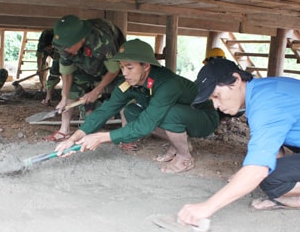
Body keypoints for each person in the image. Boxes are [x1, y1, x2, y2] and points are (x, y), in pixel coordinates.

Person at [177, 58, 300, 225]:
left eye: (216, 96)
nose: (216, 105)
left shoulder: (267, 105)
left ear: (235, 81)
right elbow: (272, 144)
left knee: (268, 177)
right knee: (270, 171)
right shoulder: (263, 91)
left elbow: (258, 169)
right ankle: (291, 195)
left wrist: (206, 207)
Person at [55, 39, 219, 174]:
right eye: (121, 67)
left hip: (203, 119)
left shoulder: (167, 84)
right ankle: (179, 143)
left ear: (146, 66)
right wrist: (73, 138)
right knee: (131, 111)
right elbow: (105, 110)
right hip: (179, 116)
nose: (124, 72)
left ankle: (185, 157)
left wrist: (102, 137)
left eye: (129, 67)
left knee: (169, 114)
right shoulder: (128, 83)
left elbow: (145, 125)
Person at [49, 14, 126, 142]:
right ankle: (64, 131)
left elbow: (114, 70)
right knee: (71, 93)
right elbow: (67, 73)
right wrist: (64, 97)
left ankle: (126, 135)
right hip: (84, 64)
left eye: (68, 48)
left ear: (81, 39)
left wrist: (96, 91)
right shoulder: (65, 46)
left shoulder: (102, 41)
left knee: (124, 94)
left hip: (109, 64)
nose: (65, 51)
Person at [36, 29, 61, 104]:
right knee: (42, 68)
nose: (49, 49)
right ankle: (43, 86)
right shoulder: (42, 44)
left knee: (59, 69)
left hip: (59, 52)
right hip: (48, 48)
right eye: (48, 48)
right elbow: (39, 57)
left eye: (51, 47)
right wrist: (39, 69)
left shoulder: (60, 42)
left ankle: (49, 97)